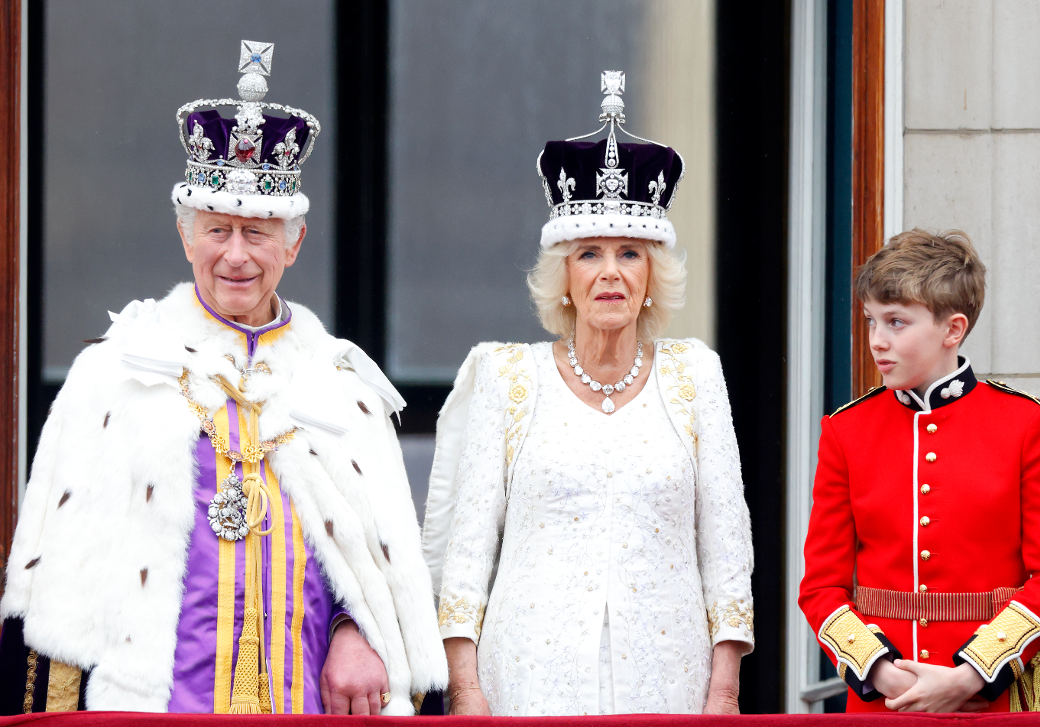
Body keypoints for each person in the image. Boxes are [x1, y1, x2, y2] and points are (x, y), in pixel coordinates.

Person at [0, 40, 446, 715]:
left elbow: (375, 570)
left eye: (259, 231)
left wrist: (356, 627)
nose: (236, 254)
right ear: (186, 236)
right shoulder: (114, 373)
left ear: (293, 243)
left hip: (306, 703)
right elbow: (57, 590)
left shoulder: (344, 387)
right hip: (151, 703)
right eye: (217, 230)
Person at [421, 72, 754, 716]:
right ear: (562, 276)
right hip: (528, 678)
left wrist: (723, 693)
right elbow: (467, 552)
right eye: (588, 254)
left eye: (630, 253)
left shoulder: (695, 377)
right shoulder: (509, 378)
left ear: (652, 274)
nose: (609, 273)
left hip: (669, 683)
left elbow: (727, 548)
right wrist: (466, 692)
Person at [799, 229, 1040, 713]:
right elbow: (820, 587)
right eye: (871, 320)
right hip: (884, 702)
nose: (877, 341)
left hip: (993, 700)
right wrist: (882, 674)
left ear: (952, 329)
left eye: (896, 322)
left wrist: (970, 676)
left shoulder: (1026, 423)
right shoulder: (846, 430)